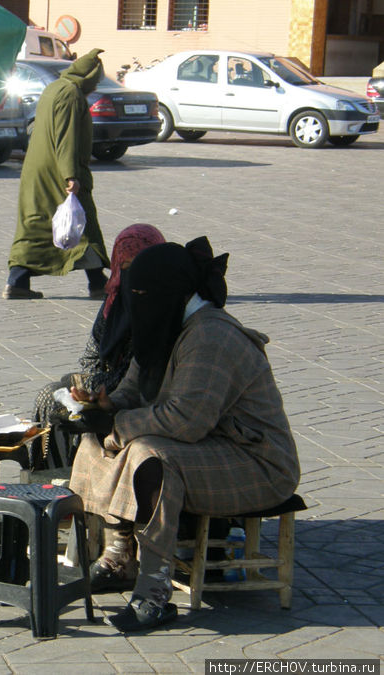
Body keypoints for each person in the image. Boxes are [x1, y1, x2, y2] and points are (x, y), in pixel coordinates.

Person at [68, 237, 300, 632]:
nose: (137, 302)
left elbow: (185, 421)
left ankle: (154, 594)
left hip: (256, 462)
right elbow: (133, 390)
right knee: (95, 441)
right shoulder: (165, 323)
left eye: (143, 294)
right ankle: (119, 554)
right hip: (206, 448)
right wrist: (104, 407)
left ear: (173, 293)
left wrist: (119, 426)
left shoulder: (211, 336)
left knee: (151, 456)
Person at [30, 224, 166, 469]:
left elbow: (140, 373)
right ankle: (55, 477)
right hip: (106, 384)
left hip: (142, 395)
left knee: (72, 400)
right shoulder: (114, 302)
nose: (132, 279)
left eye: (139, 268)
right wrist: (87, 385)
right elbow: (92, 355)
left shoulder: (161, 304)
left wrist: (97, 391)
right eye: (125, 269)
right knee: (52, 396)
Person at [4, 48, 110, 300]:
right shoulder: (71, 94)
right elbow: (66, 136)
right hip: (57, 171)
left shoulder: (54, 87)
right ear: (88, 78)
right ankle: (97, 283)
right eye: (95, 82)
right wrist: (70, 175)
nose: (94, 87)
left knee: (35, 225)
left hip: (37, 169)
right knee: (82, 224)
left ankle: (17, 281)